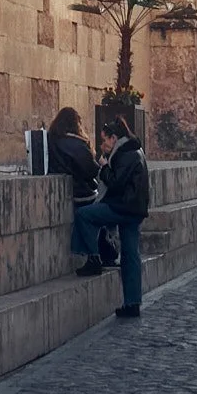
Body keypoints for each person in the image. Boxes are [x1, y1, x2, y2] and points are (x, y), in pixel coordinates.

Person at [72, 117, 150, 317]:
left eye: (105, 140)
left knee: (84, 215)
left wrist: (104, 167)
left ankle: (93, 257)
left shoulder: (125, 154)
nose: (102, 145)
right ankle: (132, 303)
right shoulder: (134, 150)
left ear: (115, 138)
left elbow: (116, 183)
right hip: (135, 209)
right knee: (131, 255)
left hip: (123, 208)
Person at [48, 107, 117, 266]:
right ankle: (98, 256)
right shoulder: (76, 143)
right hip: (83, 191)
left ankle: (97, 256)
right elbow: (89, 169)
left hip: (72, 189)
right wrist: (101, 166)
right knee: (94, 218)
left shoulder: (53, 140)